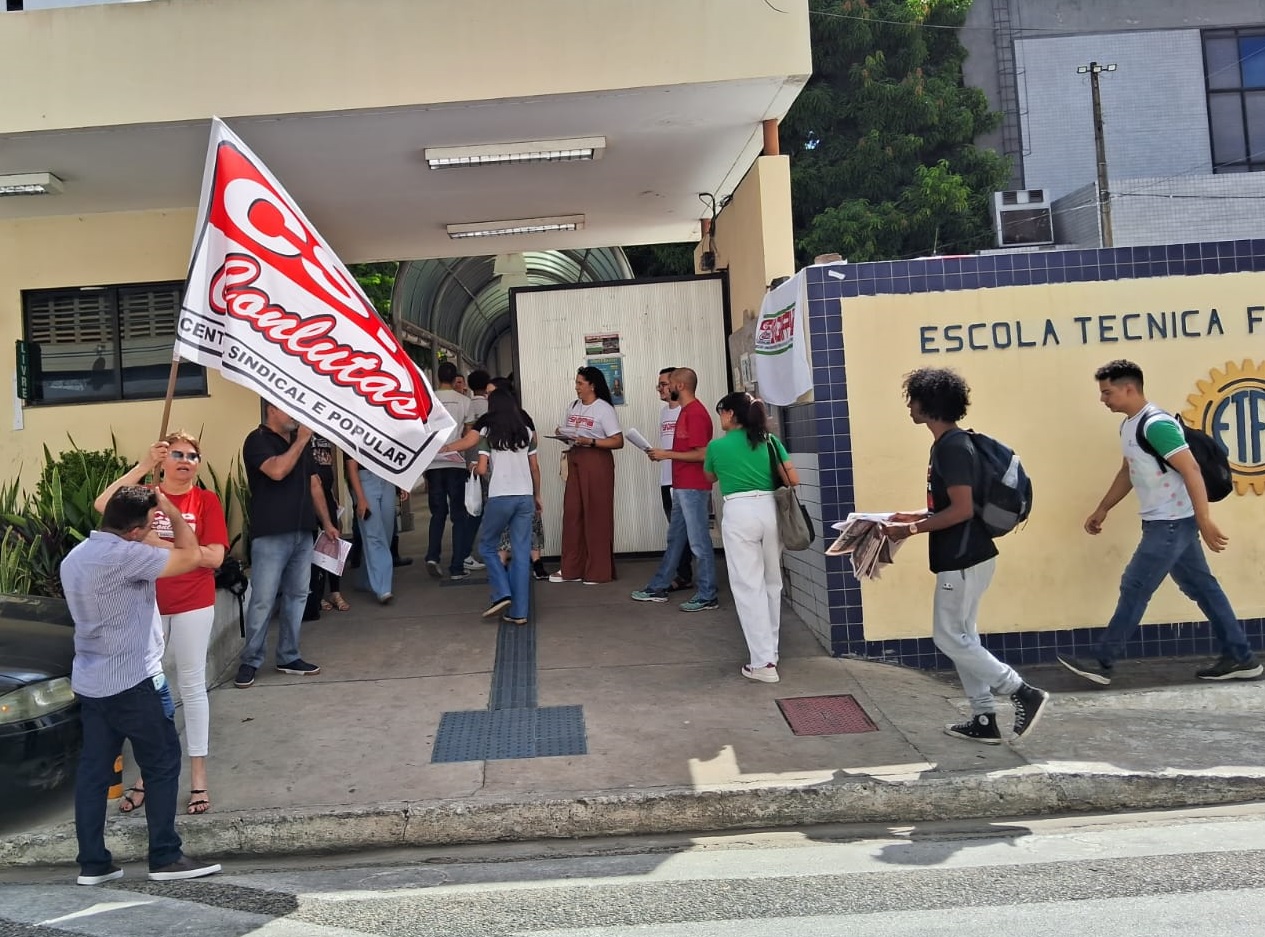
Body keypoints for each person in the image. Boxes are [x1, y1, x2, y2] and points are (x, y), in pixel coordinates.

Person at [1058, 359, 1262, 685]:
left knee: (1135, 585)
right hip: (1167, 523)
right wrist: (1104, 508)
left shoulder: (1156, 425)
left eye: (1107, 392)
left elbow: (1191, 469)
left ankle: (1102, 661)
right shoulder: (1129, 425)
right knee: (1203, 588)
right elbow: (1129, 471)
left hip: (1171, 524)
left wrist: (1205, 520)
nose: (1103, 399)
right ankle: (1241, 657)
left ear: (1129, 389)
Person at [64, 486, 221, 885]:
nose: (154, 529)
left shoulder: (74, 557)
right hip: (135, 681)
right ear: (135, 531)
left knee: (94, 772)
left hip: (91, 682)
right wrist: (170, 508)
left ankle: (93, 864)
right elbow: (192, 555)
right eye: (150, 525)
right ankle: (165, 857)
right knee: (162, 762)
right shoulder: (128, 557)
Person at [881, 368, 1049, 743]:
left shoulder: (952, 447)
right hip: (967, 555)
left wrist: (910, 530)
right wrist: (914, 517)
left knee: (948, 637)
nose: (909, 406)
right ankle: (984, 718)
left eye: (913, 399)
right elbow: (954, 505)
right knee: (963, 636)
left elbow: (961, 510)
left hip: (964, 558)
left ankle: (1022, 691)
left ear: (929, 404)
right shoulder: (951, 443)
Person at [93, 434, 229, 816]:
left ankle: (198, 777)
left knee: (192, 685)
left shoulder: (206, 500)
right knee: (149, 690)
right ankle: (147, 775)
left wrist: (159, 543)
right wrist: (142, 466)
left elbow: (215, 558)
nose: (185, 460)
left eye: (193, 455)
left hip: (193, 602)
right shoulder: (147, 496)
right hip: (147, 602)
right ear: (164, 460)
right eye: (176, 454)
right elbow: (104, 504)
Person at [234, 402, 339, 689]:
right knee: (264, 599)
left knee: (298, 595)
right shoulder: (257, 440)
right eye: (289, 409)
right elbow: (277, 471)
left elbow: (314, 484)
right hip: (271, 533)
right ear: (272, 409)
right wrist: (302, 439)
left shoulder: (297, 442)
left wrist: (327, 522)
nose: (295, 415)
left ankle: (289, 656)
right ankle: (250, 660)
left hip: (303, 531)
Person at [703, 393, 796, 683]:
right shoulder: (770, 441)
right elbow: (793, 479)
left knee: (748, 587)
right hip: (771, 510)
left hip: (739, 511)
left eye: (721, 412)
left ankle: (763, 663)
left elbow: (709, 478)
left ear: (731, 414)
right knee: (771, 582)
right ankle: (772, 652)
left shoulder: (717, 446)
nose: (720, 417)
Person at [633, 368, 718, 612]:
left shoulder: (696, 414)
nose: (664, 388)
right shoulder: (684, 411)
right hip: (682, 485)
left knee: (699, 542)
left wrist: (666, 454)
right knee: (675, 539)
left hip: (694, 486)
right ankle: (658, 586)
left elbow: (702, 454)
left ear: (679, 386)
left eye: (668, 384)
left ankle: (707, 594)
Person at [473, 390, 542, 624]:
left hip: (500, 496)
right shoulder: (527, 432)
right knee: (521, 552)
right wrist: (537, 495)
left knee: (487, 546)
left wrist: (472, 468)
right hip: (525, 496)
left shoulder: (488, 432)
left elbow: (482, 469)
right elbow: (534, 467)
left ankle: (502, 593)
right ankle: (519, 613)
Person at [551, 366, 624, 584]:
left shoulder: (604, 409)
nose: (577, 387)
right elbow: (571, 433)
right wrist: (562, 434)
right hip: (576, 458)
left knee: (596, 514)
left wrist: (591, 441)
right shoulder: (573, 406)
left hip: (596, 461)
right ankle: (572, 568)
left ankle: (598, 571)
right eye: (576, 383)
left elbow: (617, 441)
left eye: (580, 383)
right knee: (572, 513)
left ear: (592, 385)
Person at [424, 361, 475, 581]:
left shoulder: (428, 400)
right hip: (456, 463)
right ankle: (456, 567)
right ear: (455, 380)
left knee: (437, 513)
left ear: (437, 377)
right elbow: (468, 435)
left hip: (433, 463)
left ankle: (432, 557)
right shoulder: (465, 401)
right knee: (458, 516)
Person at [346, 455, 404, 605]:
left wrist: (402, 482)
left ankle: (364, 579)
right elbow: (351, 465)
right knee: (373, 535)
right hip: (365, 479)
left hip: (387, 477)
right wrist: (360, 498)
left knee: (387, 534)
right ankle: (383, 588)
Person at [655, 367, 692, 591]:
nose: (659, 388)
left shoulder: (686, 411)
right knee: (675, 530)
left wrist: (667, 454)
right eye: (658, 385)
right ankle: (683, 574)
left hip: (683, 480)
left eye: (663, 384)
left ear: (676, 384)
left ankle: (688, 576)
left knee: (688, 531)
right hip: (666, 478)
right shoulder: (663, 413)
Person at [310, 434, 350, 612]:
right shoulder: (298, 434)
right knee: (314, 546)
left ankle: (335, 591)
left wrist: (332, 495)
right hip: (309, 496)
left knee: (333, 542)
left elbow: (328, 467)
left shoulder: (323, 434)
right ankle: (317, 595)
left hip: (326, 494)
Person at [462, 369, 493, 572]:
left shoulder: (468, 404)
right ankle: (492, 550)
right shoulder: (490, 407)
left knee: (473, 509)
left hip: (469, 464)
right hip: (487, 464)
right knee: (491, 509)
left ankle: (466, 552)